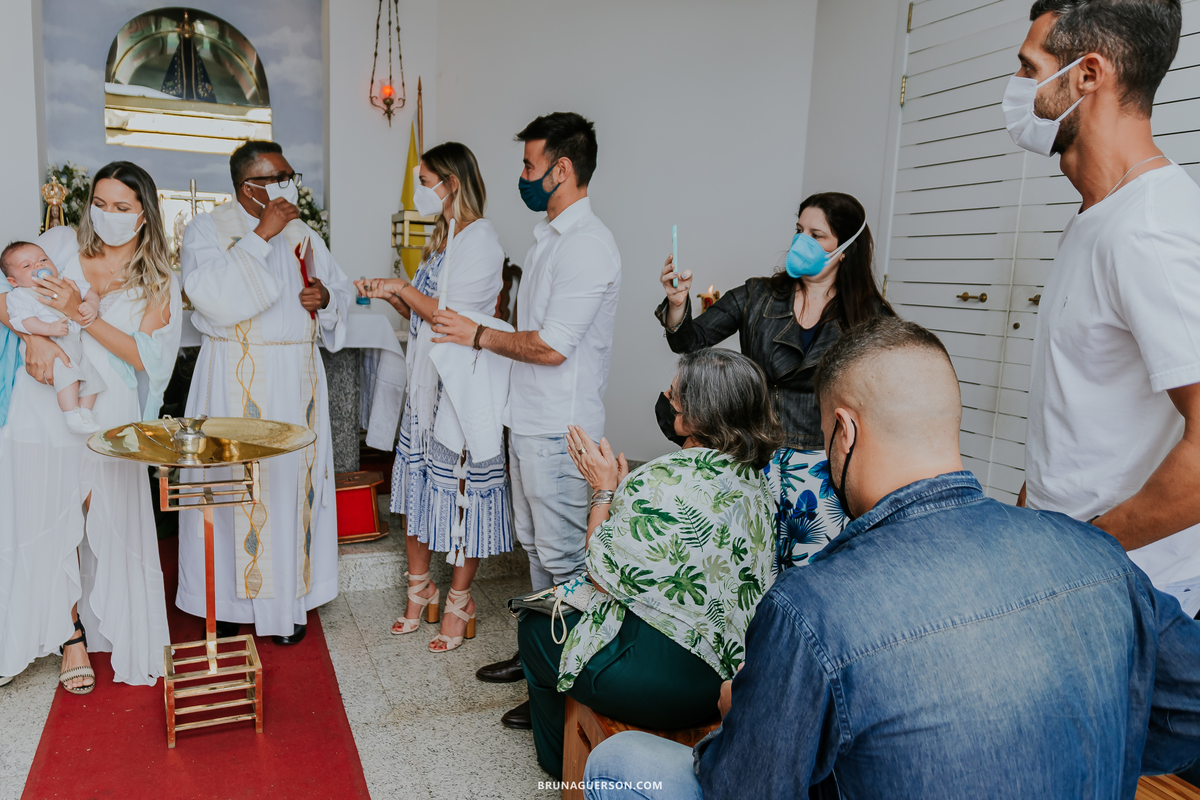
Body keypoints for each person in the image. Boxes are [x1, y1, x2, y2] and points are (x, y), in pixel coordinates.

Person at [583, 317, 1200, 800]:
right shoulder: (1098, 555)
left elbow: (746, 788)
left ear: (844, 432)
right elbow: (1189, 711)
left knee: (618, 761)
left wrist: (738, 714)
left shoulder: (810, 606)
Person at [1010, 0, 1200, 616]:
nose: (1018, 87)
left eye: (1030, 68)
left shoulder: (1150, 230)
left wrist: (1087, 549)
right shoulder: (1100, 215)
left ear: (1087, 74)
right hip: (1068, 568)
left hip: (1128, 591)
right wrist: (1029, 523)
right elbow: (1080, 413)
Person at [431, 112, 621, 728]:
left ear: (561, 170)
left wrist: (478, 334)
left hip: (560, 428)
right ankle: (539, 656)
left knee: (564, 559)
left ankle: (565, 690)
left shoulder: (587, 245)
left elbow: (553, 347)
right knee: (537, 550)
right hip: (530, 417)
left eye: (529, 165)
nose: (522, 175)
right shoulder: (550, 239)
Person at [518, 348, 779, 779]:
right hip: (725, 683)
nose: (666, 399)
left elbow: (599, 572)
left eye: (673, 395)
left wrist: (604, 490)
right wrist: (626, 498)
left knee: (533, 628)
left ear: (694, 417)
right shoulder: (757, 484)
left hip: (656, 687)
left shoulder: (658, 479)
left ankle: (562, 767)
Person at [0, 161, 182, 693]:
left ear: (144, 214)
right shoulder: (58, 244)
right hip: (42, 399)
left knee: (106, 514)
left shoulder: (159, 279)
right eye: (99, 204)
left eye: (121, 207)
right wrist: (34, 337)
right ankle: (69, 635)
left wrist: (81, 312)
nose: (107, 215)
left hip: (109, 406)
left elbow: (145, 358)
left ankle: (120, 628)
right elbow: (8, 295)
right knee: (45, 511)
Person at [655, 192, 893, 571]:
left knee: (809, 574)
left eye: (816, 235)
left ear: (844, 249)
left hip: (821, 465)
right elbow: (688, 341)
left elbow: (881, 399)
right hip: (753, 453)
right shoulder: (757, 295)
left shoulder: (869, 316)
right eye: (799, 230)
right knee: (746, 564)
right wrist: (677, 303)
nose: (801, 242)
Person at [178, 140, 354, 644]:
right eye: (278, 177)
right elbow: (207, 296)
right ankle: (225, 604)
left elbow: (340, 289)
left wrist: (326, 298)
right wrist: (260, 237)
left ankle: (288, 604)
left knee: (289, 487)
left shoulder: (305, 235)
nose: (288, 186)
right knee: (229, 487)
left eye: (290, 176)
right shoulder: (206, 229)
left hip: (296, 377)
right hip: (232, 375)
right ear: (248, 187)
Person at [355, 141, 513, 652]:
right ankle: (419, 589)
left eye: (425, 182)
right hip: (427, 383)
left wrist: (400, 288)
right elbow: (422, 317)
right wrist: (393, 295)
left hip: (459, 386)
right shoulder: (442, 236)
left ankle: (460, 600)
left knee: (461, 491)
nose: (420, 191)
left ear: (452, 183)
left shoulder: (481, 239)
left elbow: (449, 319)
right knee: (418, 488)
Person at [0, 241, 105, 434]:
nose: (38, 265)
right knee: (67, 375)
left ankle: (85, 413)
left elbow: (91, 293)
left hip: (73, 342)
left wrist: (91, 305)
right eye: (27, 265)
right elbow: (23, 322)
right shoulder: (20, 295)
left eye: (43, 260)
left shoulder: (65, 284)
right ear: (13, 281)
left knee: (91, 377)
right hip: (45, 341)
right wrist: (49, 328)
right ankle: (71, 415)